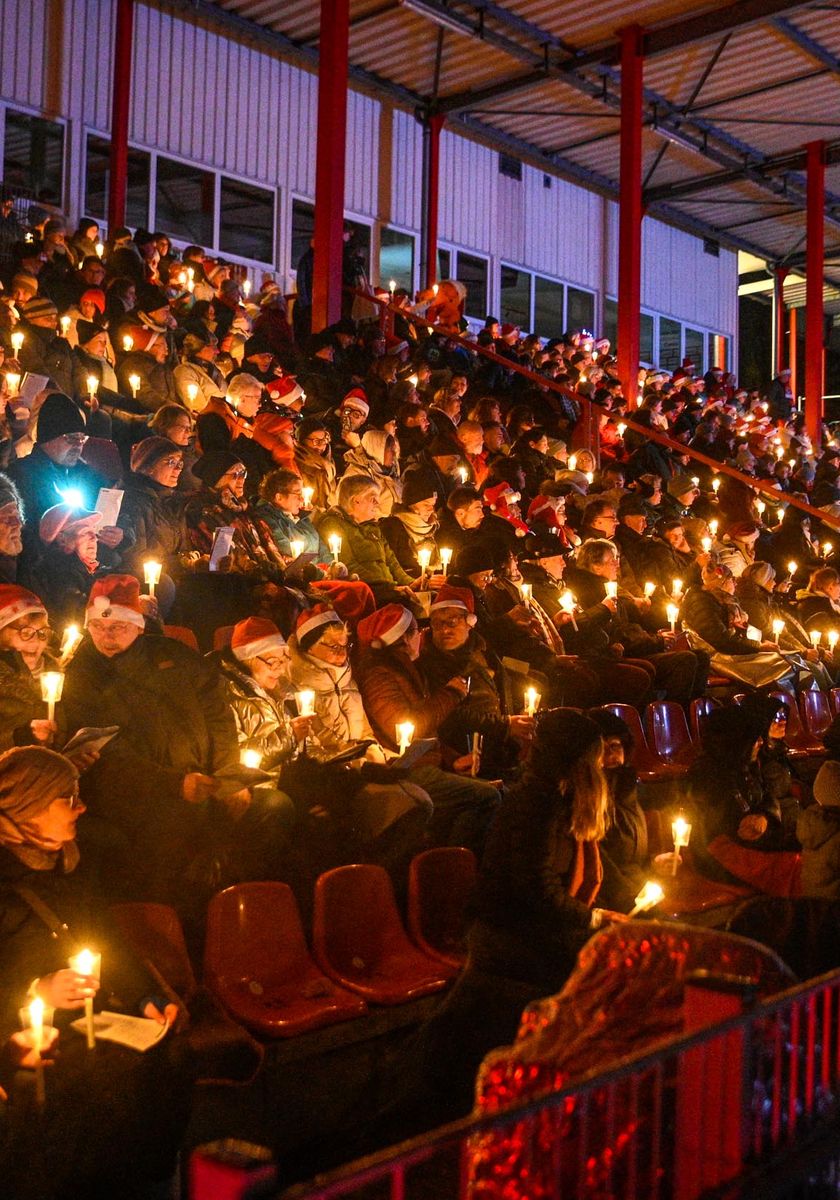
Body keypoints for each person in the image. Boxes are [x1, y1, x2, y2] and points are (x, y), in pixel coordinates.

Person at [0, 745, 192, 1200]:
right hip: (18, 1035)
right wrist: (37, 990)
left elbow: (109, 942)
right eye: (68, 798)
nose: (82, 807)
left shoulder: (70, 865)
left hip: (85, 1019)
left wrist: (147, 998)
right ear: (29, 803)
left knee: (169, 1060)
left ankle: (150, 1186)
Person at [60, 575, 256, 905]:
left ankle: (244, 908)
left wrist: (230, 774)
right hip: (142, 793)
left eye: (118, 626)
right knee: (179, 831)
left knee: (270, 811)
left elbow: (217, 715)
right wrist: (174, 784)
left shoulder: (174, 655)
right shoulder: (83, 675)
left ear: (138, 627)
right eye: (97, 627)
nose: (107, 636)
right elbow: (107, 753)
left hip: (205, 777)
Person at [355, 603, 501, 853]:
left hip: (425, 762)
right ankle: (454, 865)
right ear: (403, 638)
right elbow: (405, 728)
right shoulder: (379, 675)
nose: (422, 635)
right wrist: (451, 694)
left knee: (498, 792)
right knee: (487, 798)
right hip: (405, 769)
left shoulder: (405, 667)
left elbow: (426, 732)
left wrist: (452, 759)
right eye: (416, 630)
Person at [315, 476, 424, 608]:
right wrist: (390, 588)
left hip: (389, 589)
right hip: (364, 592)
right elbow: (348, 565)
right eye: (373, 498)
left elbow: (391, 562)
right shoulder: (332, 524)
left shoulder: (373, 527)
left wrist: (410, 583)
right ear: (356, 501)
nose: (378, 503)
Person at [8, 394, 105, 528]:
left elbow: (114, 510)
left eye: (82, 439)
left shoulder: (87, 475)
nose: (78, 445)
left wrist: (119, 534)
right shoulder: (19, 477)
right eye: (72, 438)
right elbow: (18, 532)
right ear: (48, 439)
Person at [251, 467, 330, 561]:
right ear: (279, 497)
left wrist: (332, 564)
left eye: (302, 493)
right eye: (297, 494)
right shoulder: (266, 519)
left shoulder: (301, 517)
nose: (302, 499)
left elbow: (321, 546)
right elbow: (286, 548)